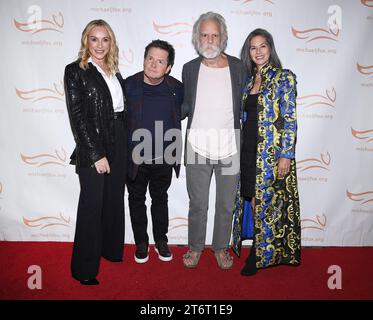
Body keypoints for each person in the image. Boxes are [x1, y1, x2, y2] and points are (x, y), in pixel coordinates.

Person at [232, 28, 301, 276]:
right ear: (248, 52)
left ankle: (259, 255)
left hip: (271, 154)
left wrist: (286, 155)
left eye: (263, 46)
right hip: (248, 150)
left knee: (269, 203)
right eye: (253, 47)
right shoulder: (249, 82)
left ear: (270, 48)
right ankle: (260, 249)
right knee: (252, 198)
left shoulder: (284, 78)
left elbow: (290, 120)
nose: (258, 52)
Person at [181, 12, 247, 270]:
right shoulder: (189, 69)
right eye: (204, 35)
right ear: (197, 38)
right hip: (196, 147)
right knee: (198, 204)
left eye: (214, 35)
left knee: (226, 204)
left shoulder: (239, 67)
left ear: (224, 37)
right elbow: (184, 105)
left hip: (231, 147)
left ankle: (220, 247)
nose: (209, 40)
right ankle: (195, 247)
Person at [64, 19, 127, 285]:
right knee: (92, 205)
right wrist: (95, 153)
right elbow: (78, 117)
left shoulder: (114, 70)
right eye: (94, 39)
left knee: (113, 199)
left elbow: (120, 110)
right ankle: (84, 269)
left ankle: (110, 251)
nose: (99, 45)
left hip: (119, 138)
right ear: (85, 41)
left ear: (111, 42)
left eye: (105, 39)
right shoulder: (75, 71)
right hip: (95, 143)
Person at [125, 40, 183, 264]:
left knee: (161, 199)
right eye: (150, 58)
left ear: (168, 67)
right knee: (136, 199)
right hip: (135, 158)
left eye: (160, 61)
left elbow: (183, 114)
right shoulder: (128, 85)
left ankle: (161, 240)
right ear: (144, 59)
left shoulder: (177, 88)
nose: (153, 64)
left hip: (164, 158)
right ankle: (141, 242)